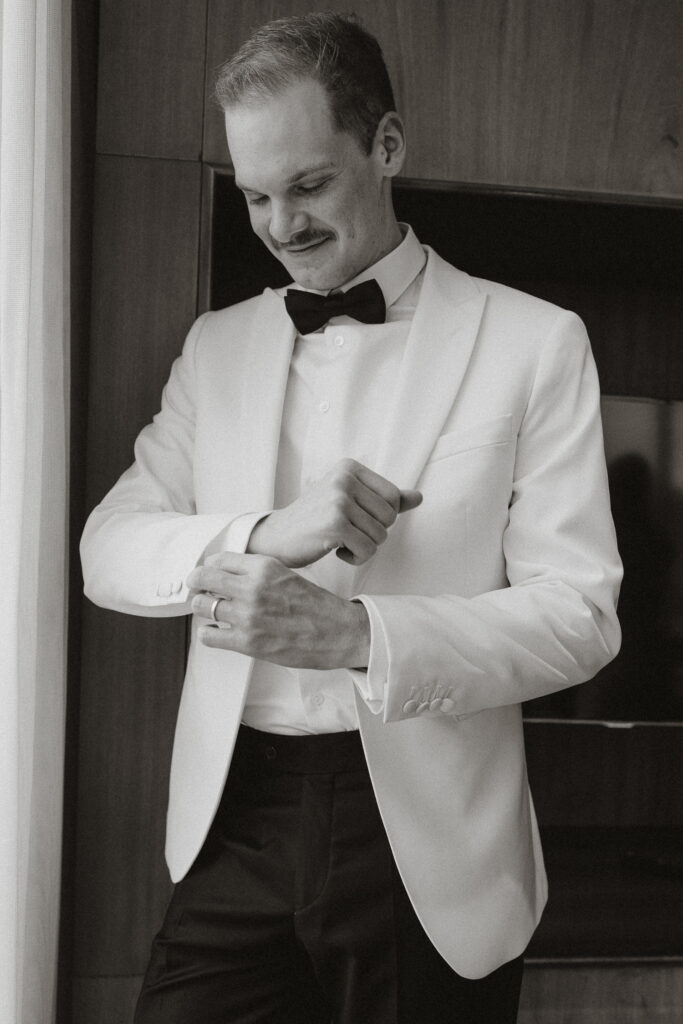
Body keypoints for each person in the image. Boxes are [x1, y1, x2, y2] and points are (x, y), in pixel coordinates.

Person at [80, 12, 622, 1023]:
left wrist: (358, 634)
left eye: (307, 185)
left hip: (425, 840)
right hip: (235, 819)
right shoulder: (216, 345)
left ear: (385, 146)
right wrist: (261, 531)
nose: (280, 226)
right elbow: (106, 550)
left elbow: (580, 614)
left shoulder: (534, 344)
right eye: (253, 196)